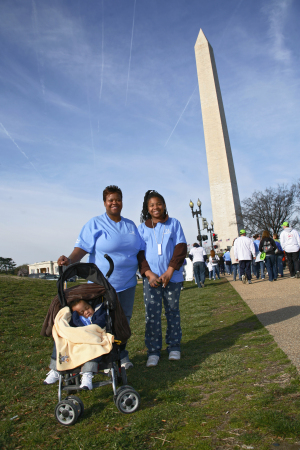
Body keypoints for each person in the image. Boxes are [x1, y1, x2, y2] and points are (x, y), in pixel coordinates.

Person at [57, 185, 144, 370]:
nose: (114, 203)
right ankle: (101, 357)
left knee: (123, 321)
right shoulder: (95, 224)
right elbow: (82, 249)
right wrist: (70, 261)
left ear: (122, 202)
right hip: (102, 284)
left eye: (117, 199)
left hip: (128, 282)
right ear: (104, 203)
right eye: (110, 200)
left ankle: (121, 355)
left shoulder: (130, 225)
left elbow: (140, 250)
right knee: (101, 321)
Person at [138, 190, 187, 368]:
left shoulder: (174, 224)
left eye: (158, 204)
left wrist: (169, 271)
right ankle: (153, 351)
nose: (155, 207)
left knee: (172, 311)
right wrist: (149, 274)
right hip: (152, 280)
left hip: (172, 278)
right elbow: (140, 253)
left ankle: (174, 346)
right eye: (151, 205)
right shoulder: (142, 228)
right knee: (152, 315)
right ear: (147, 209)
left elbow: (180, 247)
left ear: (164, 205)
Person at [44, 299, 106, 390]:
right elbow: (70, 329)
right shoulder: (75, 319)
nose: (86, 312)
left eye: (87, 308)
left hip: (92, 340)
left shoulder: (98, 313)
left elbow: (100, 323)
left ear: (90, 305)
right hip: (77, 340)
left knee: (93, 349)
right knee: (61, 342)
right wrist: (75, 316)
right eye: (82, 312)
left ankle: (87, 374)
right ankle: (56, 369)